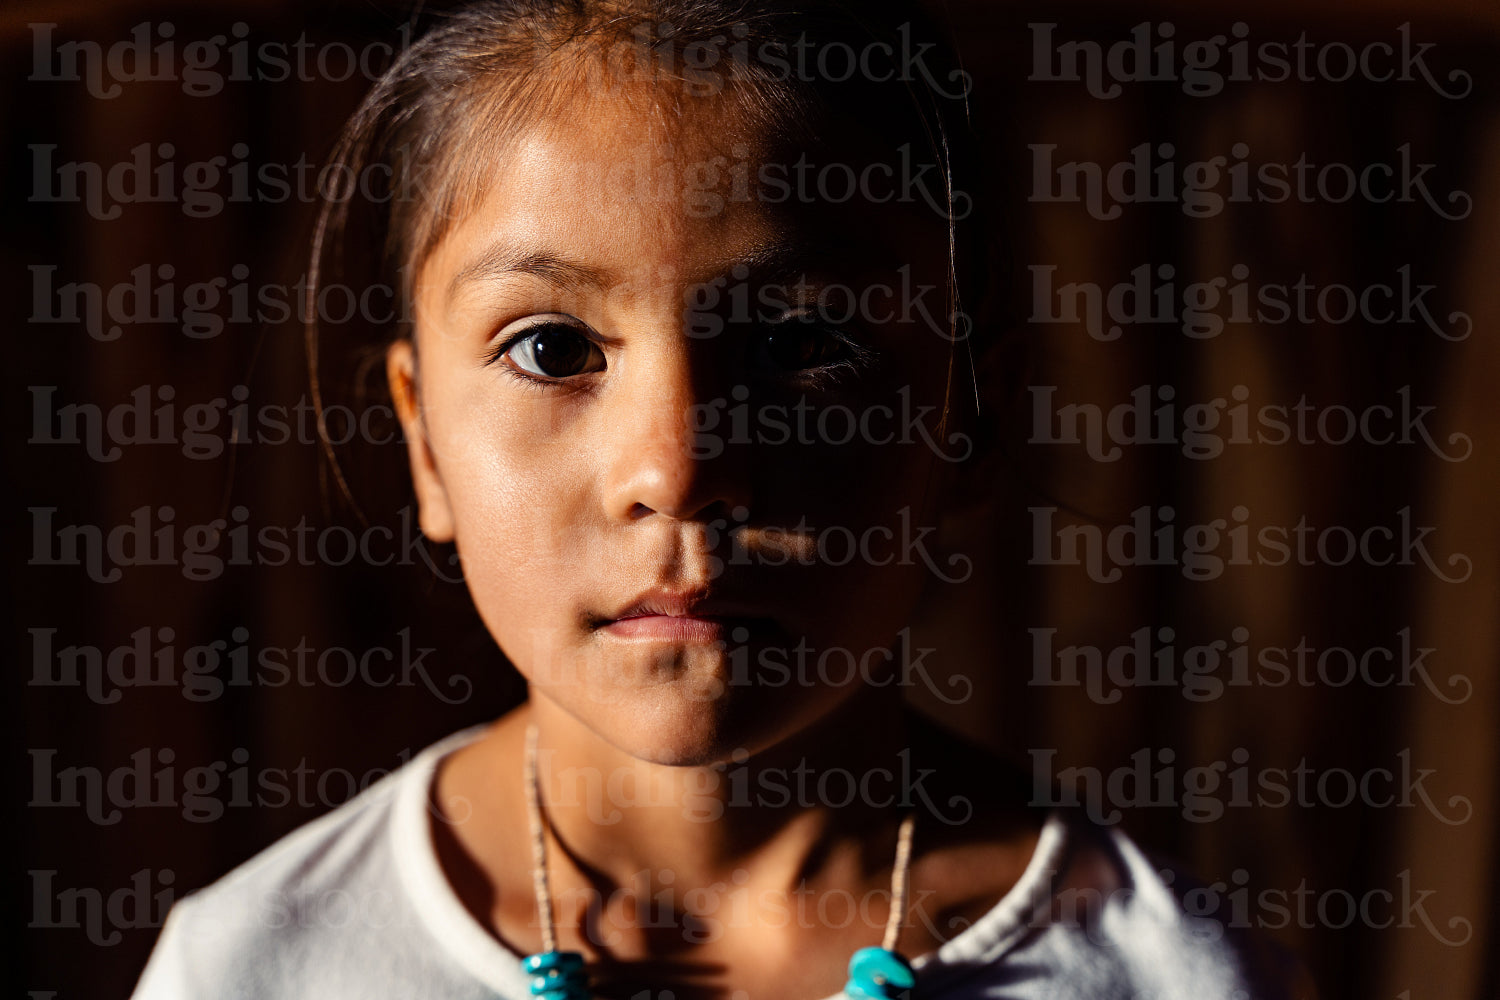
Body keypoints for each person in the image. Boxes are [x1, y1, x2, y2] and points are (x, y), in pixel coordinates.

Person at [131, 2, 1310, 997]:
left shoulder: (1162, 969)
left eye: (800, 341)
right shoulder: (257, 967)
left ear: (964, 420)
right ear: (426, 442)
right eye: (551, 349)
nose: (679, 471)